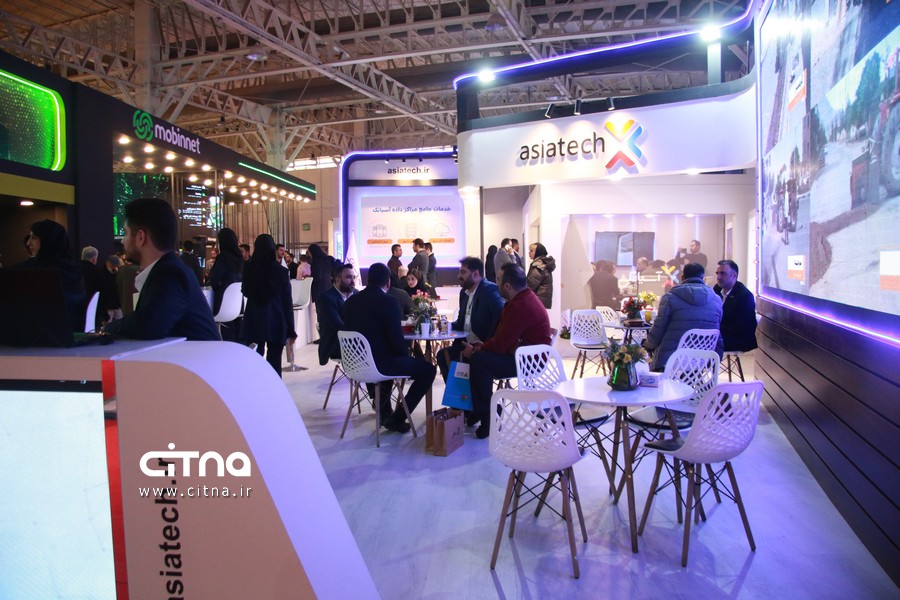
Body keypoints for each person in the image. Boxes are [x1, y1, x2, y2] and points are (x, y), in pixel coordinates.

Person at [104, 199, 219, 341]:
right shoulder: (170, 268)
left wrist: (106, 329)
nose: (123, 241)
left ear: (140, 237)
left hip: (196, 355)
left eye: (126, 233)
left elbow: (149, 324)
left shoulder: (169, 273)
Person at [342, 263, 436, 434]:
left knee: (387, 358)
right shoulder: (388, 302)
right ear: (388, 283)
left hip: (354, 364)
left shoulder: (350, 302)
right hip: (380, 365)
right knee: (428, 370)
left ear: (368, 280)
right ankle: (397, 417)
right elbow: (396, 340)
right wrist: (405, 355)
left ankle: (385, 413)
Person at [464, 263, 551, 438]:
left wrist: (478, 348)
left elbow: (501, 344)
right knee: (473, 357)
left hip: (528, 362)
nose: (495, 282)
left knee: (479, 361)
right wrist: (481, 346)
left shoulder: (520, 306)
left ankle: (488, 418)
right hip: (519, 354)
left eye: (498, 279)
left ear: (507, 285)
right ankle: (477, 409)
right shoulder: (521, 299)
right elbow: (502, 338)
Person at [643, 263, 723, 371]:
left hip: (671, 360)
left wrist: (647, 345)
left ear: (682, 277)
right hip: (702, 360)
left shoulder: (669, 298)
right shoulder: (717, 300)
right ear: (703, 278)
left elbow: (658, 329)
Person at [436, 257, 504, 382]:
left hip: (484, 347)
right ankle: (460, 393)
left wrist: (487, 343)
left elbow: (502, 316)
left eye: (463, 272)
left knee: (472, 359)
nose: (459, 276)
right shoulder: (464, 293)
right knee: (443, 355)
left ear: (476, 274)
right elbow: (461, 322)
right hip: (466, 345)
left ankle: (470, 392)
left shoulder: (489, 290)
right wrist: (448, 325)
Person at [12, 219, 85, 329]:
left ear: (48, 241)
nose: (28, 243)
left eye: (34, 238)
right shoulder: (74, 271)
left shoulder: (34, 272)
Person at [241, 234, 296, 376]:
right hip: (276, 319)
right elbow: (287, 302)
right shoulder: (281, 271)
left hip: (254, 318)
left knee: (254, 361)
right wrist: (291, 329)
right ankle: (274, 388)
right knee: (275, 362)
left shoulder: (248, 268)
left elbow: (245, 292)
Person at [316, 262, 357, 366]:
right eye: (348, 277)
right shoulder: (325, 298)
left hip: (355, 340)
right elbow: (338, 325)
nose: (353, 281)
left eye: (354, 277)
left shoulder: (357, 294)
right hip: (336, 343)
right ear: (338, 279)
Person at [713, 259, 758, 352]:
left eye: (722, 273)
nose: (718, 277)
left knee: (701, 343)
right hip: (720, 334)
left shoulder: (745, 296)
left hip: (738, 339)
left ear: (734, 275)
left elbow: (741, 327)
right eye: (717, 273)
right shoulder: (717, 289)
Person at [207, 228, 243, 340]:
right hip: (239, 306)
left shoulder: (223, 258)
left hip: (222, 306)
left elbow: (214, 281)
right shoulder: (240, 258)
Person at [526, 242, 556, 309]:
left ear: (538, 252)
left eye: (531, 251)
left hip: (536, 300)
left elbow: (531, 284)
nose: (529, 253)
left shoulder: (538, 265)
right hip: (541, 300)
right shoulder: (544, 263)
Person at [80, 246, 104, 330]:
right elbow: (101, 294)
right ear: (94, 259)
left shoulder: (74, 270)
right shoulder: (97, 271)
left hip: (76, 311)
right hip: (93, 311)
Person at [98, 255, 122, 325]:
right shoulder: (102, 273)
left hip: (116, 303)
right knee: (108, 323)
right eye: (113, 265)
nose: (114, 266)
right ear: (108, 263)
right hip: (108, 304)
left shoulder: (114, 272)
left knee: (120, 321)